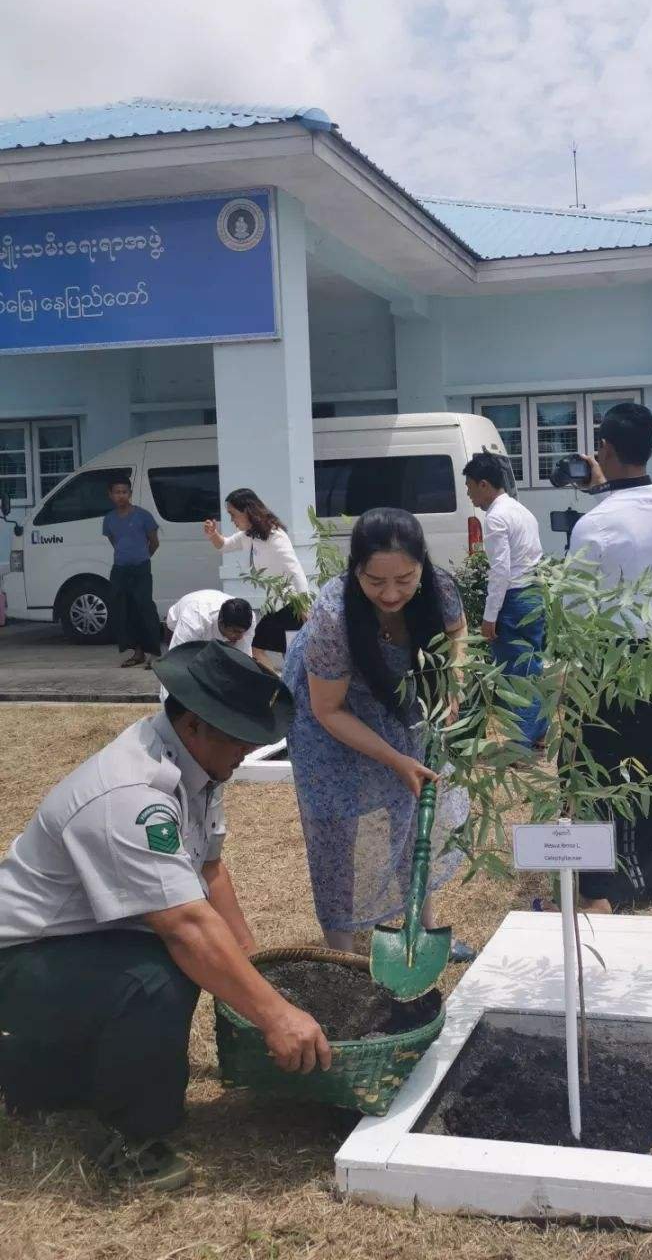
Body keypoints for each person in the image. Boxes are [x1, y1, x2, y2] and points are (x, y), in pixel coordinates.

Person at [0, 642, 330, 1192]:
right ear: (197, 724)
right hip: (16, 959)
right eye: (240, 734)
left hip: (73, 944)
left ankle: (40, 1076)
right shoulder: (131, 795)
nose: (250, 748)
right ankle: (133, 1141)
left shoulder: (196, 763)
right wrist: (275, 1017)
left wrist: (257, 971)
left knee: (192, 959)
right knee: (160, 977)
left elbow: (209, 870)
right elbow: (186, 928)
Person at [282, 509, 474, 960]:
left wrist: (453, 681)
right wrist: (395, 759)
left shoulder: (439, 588)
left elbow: (457, 631)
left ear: (422, 566)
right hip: (327, 716)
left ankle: (422, 931)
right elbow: (328, 710)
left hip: (397, 703)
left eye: (404, 580)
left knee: (413, 812)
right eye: (375, 581)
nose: (391, 594)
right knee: (335, 828)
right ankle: (343, 955)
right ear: (355, 571)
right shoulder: (333, 616)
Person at [564, 401, 652, 914]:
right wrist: (604, 489)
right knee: (651, 761)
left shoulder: (593, 527)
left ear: (606, 449)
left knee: (597, 769)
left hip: (609, 657)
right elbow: (638, 513)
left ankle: (601, 891)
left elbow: (575, 609)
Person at [462, 452, 547, 748]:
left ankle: (520, 744)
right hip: (534, 594)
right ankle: (537, 733)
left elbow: (500, 570)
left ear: (484, 484)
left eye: (470, 486)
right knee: (531, 666)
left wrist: (489, 616)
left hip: (513, 599)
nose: (469, 493)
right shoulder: (521, 511)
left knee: (513, 674)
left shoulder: (497, 517)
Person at [204, 488, 310, 668]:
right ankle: (281, 688)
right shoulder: (249, 535)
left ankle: (285, 690)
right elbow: (223, 545)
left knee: (285, 654)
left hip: (291, 605)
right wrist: (213, 534)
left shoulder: (275, 537)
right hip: (276, 604)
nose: (232, 520)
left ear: (247, 511)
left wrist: (304, 607)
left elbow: (296, 571)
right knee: (263, 650)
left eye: (233, 515)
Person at [102, 474, 161, 668]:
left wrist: (142, 559)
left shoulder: (143, 515)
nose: (121, 496)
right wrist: (126, 559)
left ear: (130, 494)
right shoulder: (109, 519)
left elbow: (154, 543)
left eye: (124, 492)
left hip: (141, 569)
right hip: (119, 569)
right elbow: (115, 542)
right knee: (124, 610)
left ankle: (155, 654)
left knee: (145, 608)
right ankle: (137, 652)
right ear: (110, 495)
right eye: (117, 492)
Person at [159, 591, 255, 702]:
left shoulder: (249, 619)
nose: (240, 637)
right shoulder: (193, 620)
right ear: (221, 622)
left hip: (211, 624)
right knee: (189, 672)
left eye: (243, 632)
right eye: (235, 632)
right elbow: (173, 664)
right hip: (177, 622)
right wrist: (167, 705)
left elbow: (243, 662)